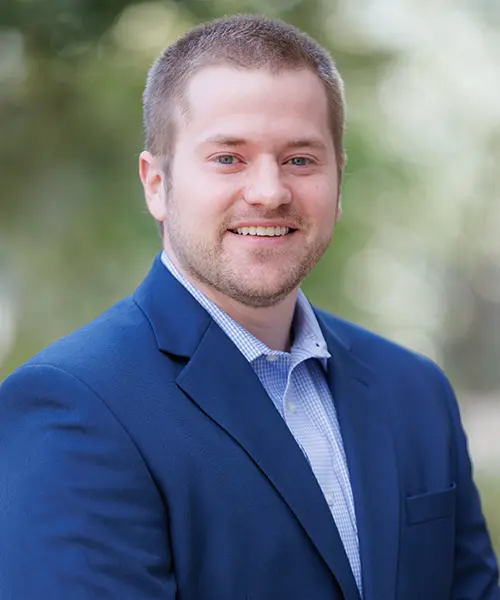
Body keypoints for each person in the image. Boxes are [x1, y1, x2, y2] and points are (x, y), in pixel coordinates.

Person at [0, 14, 498, 600]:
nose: (269, 191)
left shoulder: (415, 391)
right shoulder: (70, 407)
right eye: (228, 158)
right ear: (156, 184)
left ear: (339, 181)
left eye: (300, 160)